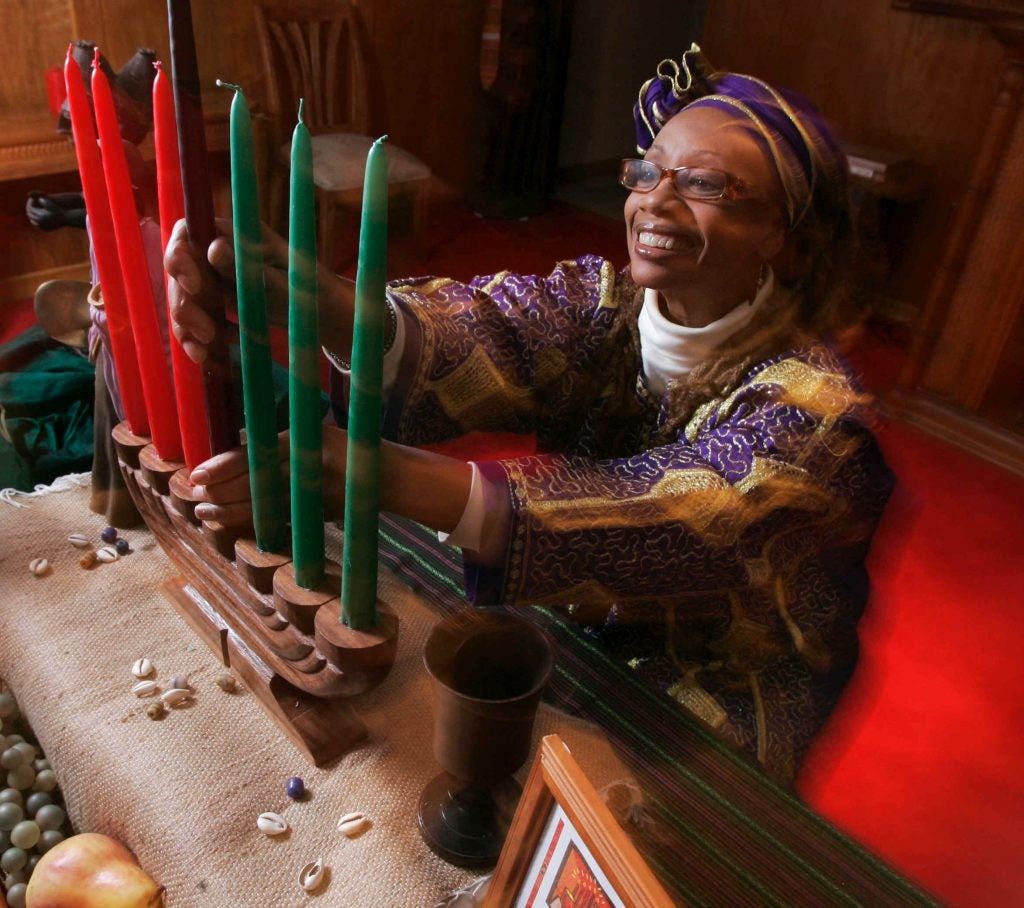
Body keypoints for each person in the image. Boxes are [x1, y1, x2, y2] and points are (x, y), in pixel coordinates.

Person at [166, 45, 892, 784]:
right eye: (646, 171)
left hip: (710, 720)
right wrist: (313, 301)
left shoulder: (821, 425)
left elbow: (666, 522)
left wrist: (385, 478)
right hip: (569, 637)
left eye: (705, 183)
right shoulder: (607, 305)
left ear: (785, 233)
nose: (655, 201)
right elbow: (488, 331)